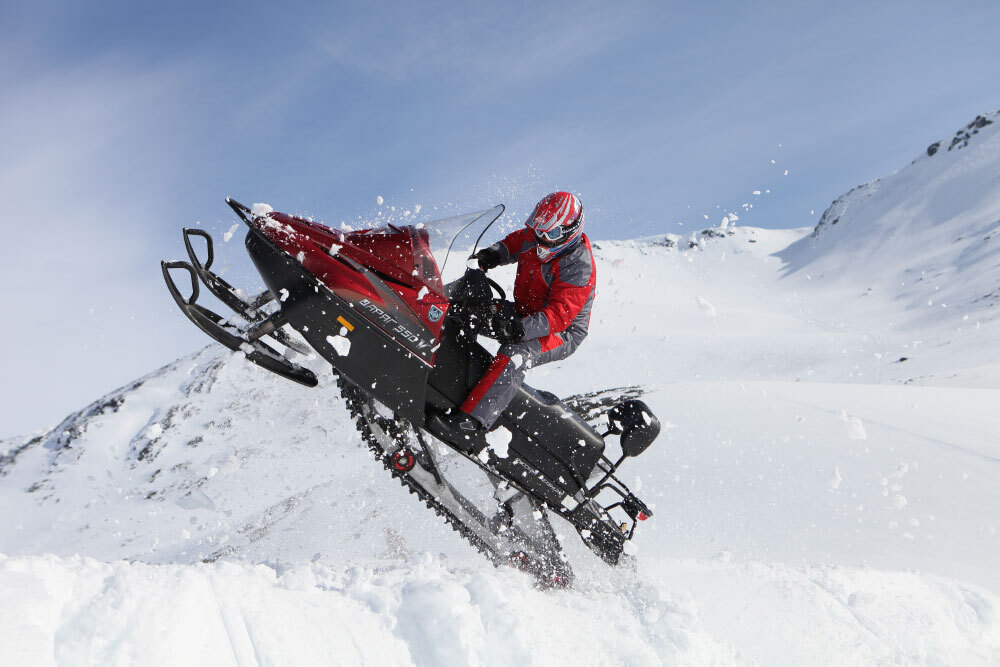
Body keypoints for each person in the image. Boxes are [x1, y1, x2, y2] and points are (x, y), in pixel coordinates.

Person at [435, 191, 596, 439]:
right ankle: (427, 332)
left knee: (516, 352)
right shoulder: (535, 237)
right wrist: (492, 255)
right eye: (539, 230)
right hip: (524, 312)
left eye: (551, 233)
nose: (542, 238)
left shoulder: (578, 266)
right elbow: (512, 245)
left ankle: (471, 423)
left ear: (569, 232)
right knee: (468, 309)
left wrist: (518, 328)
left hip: (561, 331)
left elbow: (559, 315)